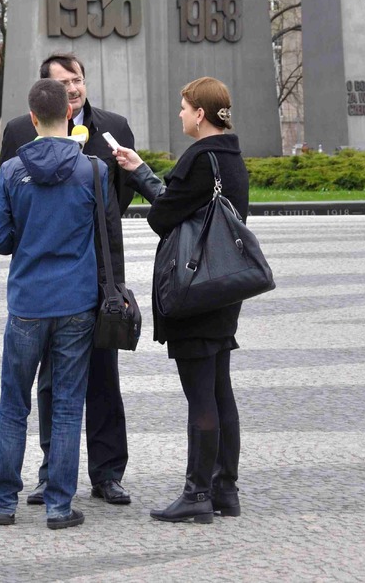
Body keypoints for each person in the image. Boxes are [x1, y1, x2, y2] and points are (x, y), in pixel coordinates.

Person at [0, 78, 120, 530]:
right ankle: (58, 505)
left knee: (14, 404)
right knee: (70, 403)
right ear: (70, 116)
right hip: (77, 302)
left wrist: (27, 237)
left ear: (32, 118)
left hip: (28, 303)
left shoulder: (13, 171)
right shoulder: (94, 170)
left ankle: (2, 502)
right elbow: (103, 231)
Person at [0, 52, 135, 506]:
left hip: (100, 273)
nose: (73, 88)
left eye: (77, 79)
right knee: (53, 382)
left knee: (103, 377)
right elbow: (12, 202)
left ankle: (107, 471)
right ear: (48, 92)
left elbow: (120, 199)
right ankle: (51, 475)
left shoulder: (113, 128)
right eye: (63, 82)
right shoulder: (19, 132)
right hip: (51, 278)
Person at [113, 77, 248, 524]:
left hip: (195, 290)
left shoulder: (199, 160)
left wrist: (142, 178)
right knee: (219, 388)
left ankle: (196, 494)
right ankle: (224, 489)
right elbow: (181, 204)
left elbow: (163, 215)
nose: (181, 114)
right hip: (224, 286)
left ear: (201, 115)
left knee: (200, 396)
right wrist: (140, 169)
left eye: (184, 107)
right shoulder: (230, 157)